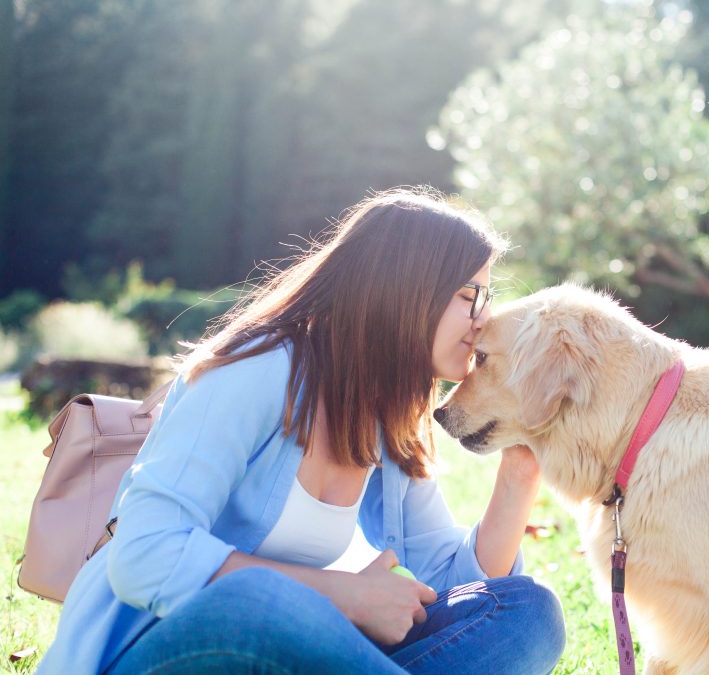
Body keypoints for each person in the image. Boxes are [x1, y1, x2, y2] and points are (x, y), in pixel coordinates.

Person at [38, 188, 566, 674]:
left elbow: (453, 583)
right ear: (406, 291)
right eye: (468, 294)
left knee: (525, 608)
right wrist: (340, 595)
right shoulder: (255, 369)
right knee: (266, 601)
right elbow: (144, 555)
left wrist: (521, 471)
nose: (483, 318)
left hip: (283, 648)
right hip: (159, 650)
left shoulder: (383, 412)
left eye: (487, 296)